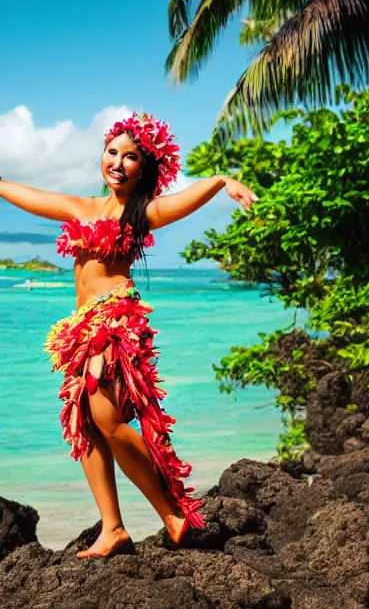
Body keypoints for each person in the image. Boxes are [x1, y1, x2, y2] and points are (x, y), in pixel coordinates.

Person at [0, 112, 259, 558]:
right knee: (84, 422)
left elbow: (183, 201)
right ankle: (114, 528)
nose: (118, 162)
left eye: (131, 156)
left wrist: (220, 182)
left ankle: (171, 511)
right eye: (113, 152)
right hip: (79, 328)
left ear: (145, 167)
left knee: (107, 417)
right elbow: (31, 195)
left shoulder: (141, 213)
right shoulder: (81, 207)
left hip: (116, 321)